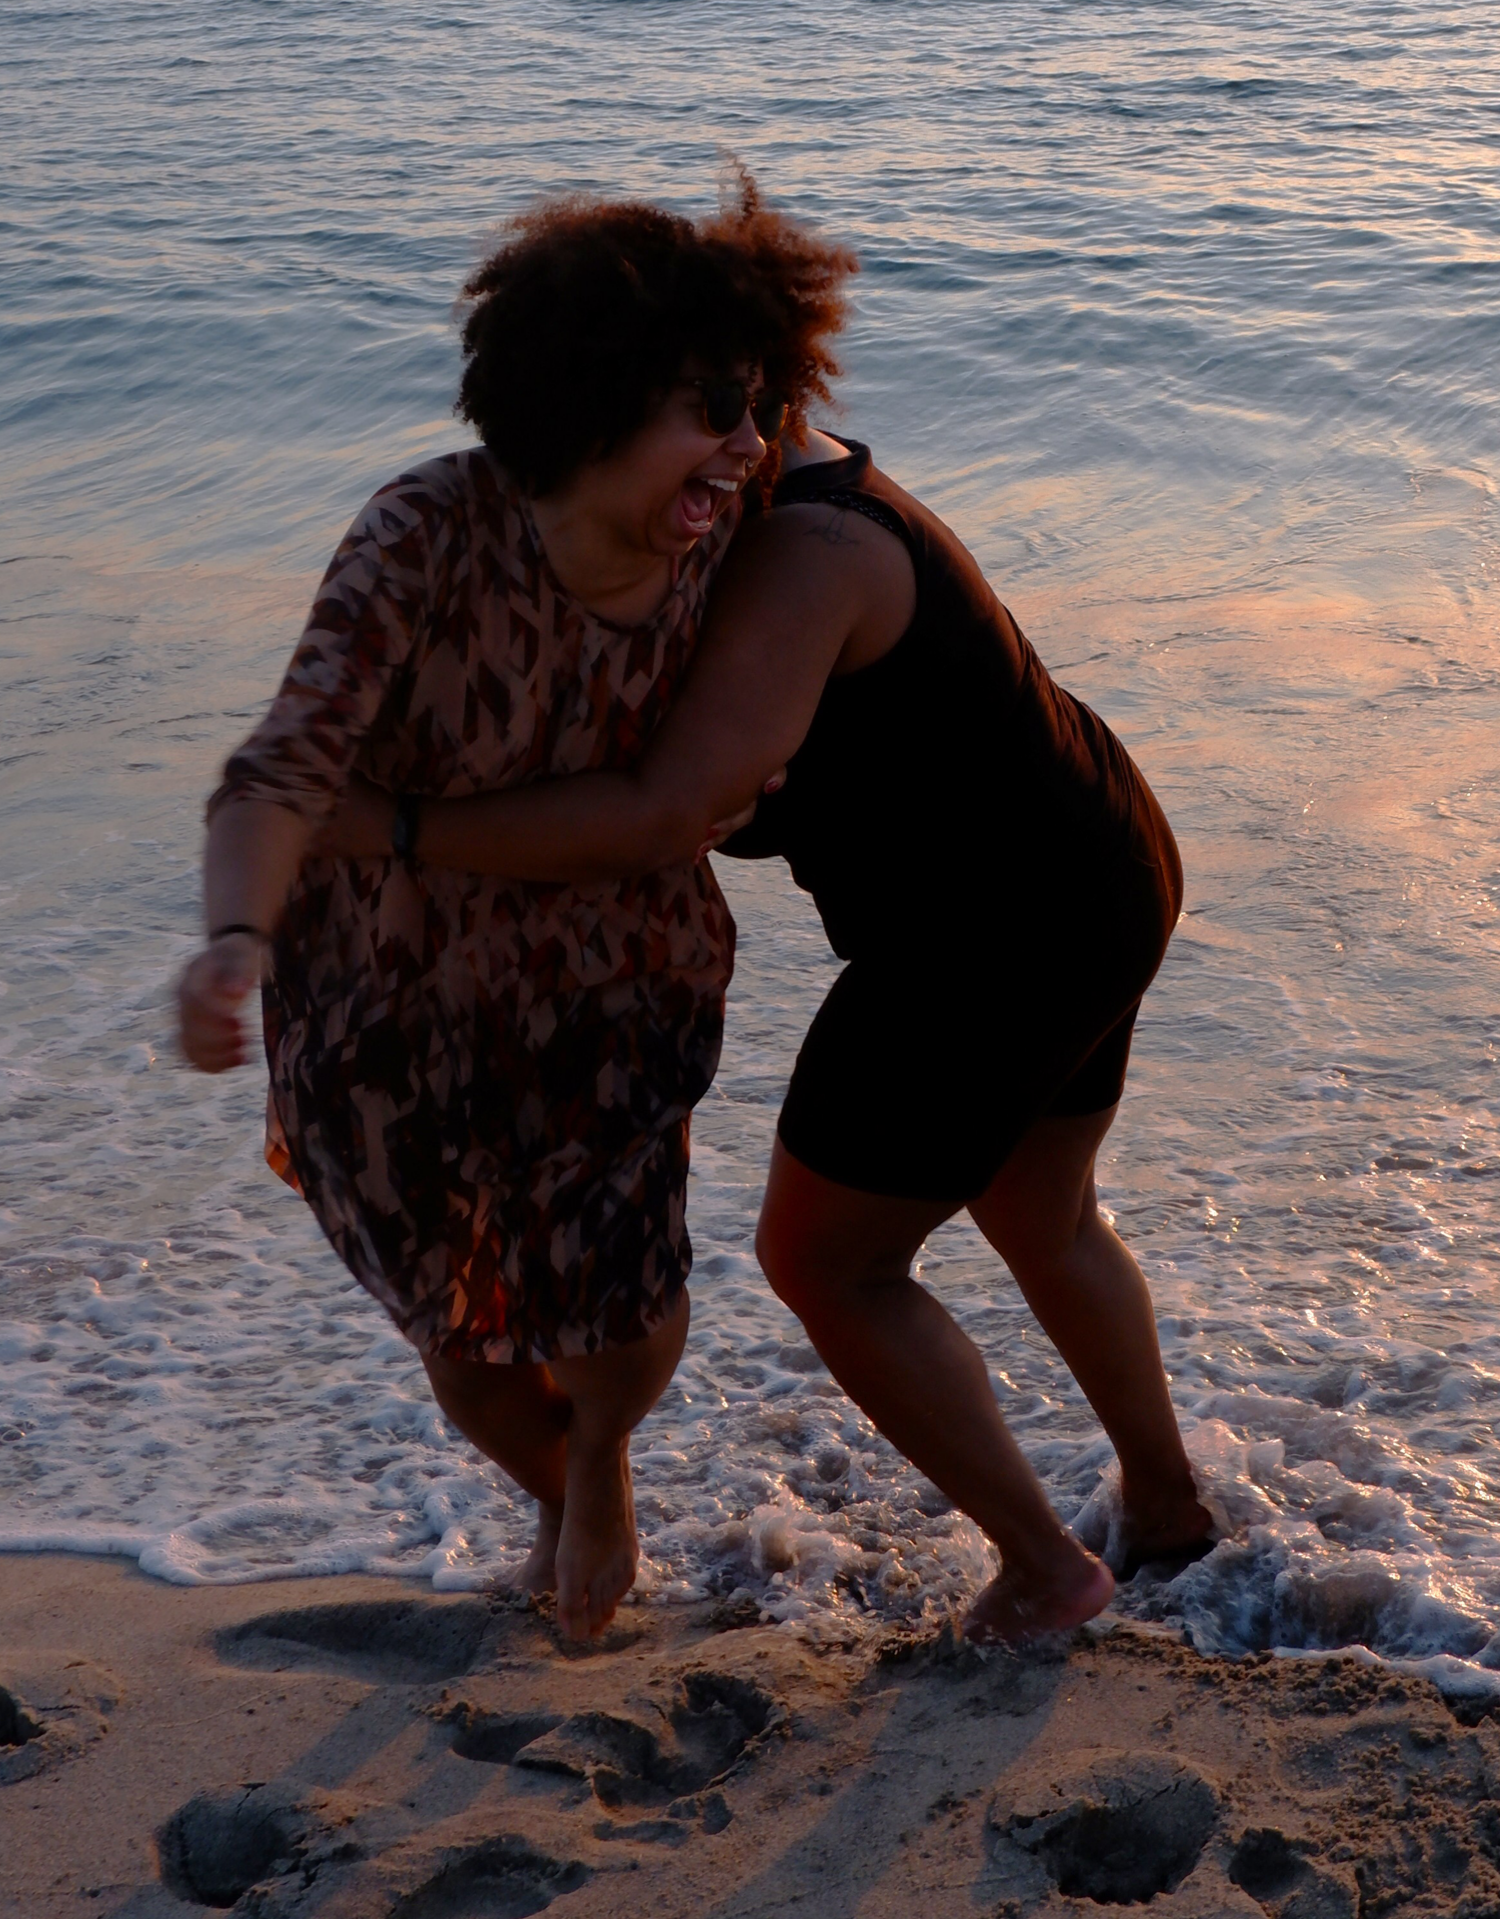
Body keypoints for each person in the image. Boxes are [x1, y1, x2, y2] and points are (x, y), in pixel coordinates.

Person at [320, 322, 1217, 1642]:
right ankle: (1166, 1513)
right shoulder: (783, 504)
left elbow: (658, 813)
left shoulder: (809, 555)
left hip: (987, 933)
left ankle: (1045, 1568)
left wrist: (391, 828)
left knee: (825, 1263)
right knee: (1041, 1211)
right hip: (1090, 861)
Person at [174, 182, 853, 1640]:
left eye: (759, 404)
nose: (748, 445)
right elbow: (281, 768)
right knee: (457, 1314)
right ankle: (551, 1484)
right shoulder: (425, 534)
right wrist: (234, 940)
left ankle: (598, 1460)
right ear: (589, 406)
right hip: (386, 996)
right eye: (714, 407)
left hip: (616, 968)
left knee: (625, 1287)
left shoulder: (722, 528)